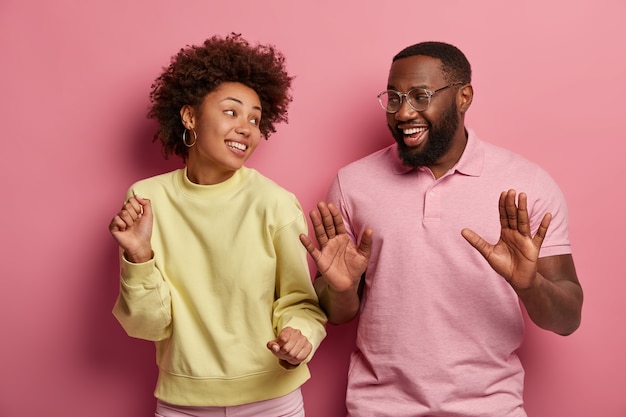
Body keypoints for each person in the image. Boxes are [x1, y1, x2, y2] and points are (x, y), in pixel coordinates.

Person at [299, 41, 583, 417]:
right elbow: (337, 313)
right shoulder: (353, 184)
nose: (403, 113)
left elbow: (568, 320)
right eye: (394, 98)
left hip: (491, 408)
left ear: (463, 96)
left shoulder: (527, 184)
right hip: (379, 408)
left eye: (420, 96)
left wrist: (530, 285)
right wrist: (343, 287)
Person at [109, 34, 327, 417]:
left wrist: (300, 337)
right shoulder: (147, 199)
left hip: (272, 401)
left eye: (255, 119)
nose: (246, 127)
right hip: (182, 404)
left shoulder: (274, 202)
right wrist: (139, 255)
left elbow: (301, 303)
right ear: (190, 116)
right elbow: (147, 326)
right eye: (231, 111)